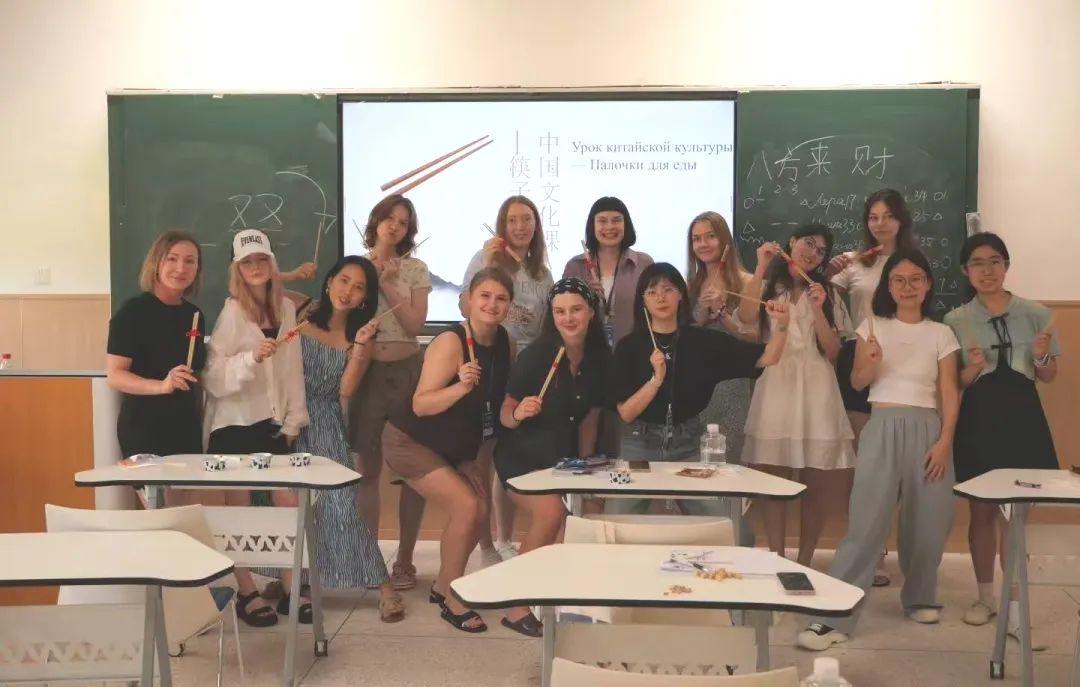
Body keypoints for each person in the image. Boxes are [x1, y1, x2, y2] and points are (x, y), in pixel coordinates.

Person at [799, 249, 959, 651]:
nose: (907, 287)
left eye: (916, 279)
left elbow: (949, 393)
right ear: (889, 286)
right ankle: (834, 617)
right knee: (866, 524)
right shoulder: (872, 326)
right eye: (899, 280)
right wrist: (870, 361)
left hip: (928, 429)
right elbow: (857, 382)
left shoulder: (941, 333)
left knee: (931, 520)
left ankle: (920, 596)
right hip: (882, 425)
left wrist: (944, 442)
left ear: (928, 284)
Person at [380, 268, 513, 634]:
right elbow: (422, 405)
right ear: (468, 299)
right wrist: (460, 386)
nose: (492, 304)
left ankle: (442, 584)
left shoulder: (505, 342)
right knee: (466, 506)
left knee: (480, 505)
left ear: (510, 306)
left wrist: (465, 459)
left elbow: (483, 409)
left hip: (448, 447)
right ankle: (454, 599)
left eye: (501, 298)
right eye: (484, 296)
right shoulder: (451, 342)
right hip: (408, 440)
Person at [945, 233, 1059, 649]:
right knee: (981, 511)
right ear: (966, 271)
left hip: (1022, 418)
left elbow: (1048, 374)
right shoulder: (955, 319)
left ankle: (1015, 608)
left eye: (995, 261)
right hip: (979, 418)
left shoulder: (1036, 313)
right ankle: (983, 597)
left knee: (1016, 517)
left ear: (1006, 266)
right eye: (978, 263)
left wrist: (1042, 355)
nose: (987, 270)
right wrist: (973, 368)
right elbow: (954, 382)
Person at [606, 263, 790, 515]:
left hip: (688, 445)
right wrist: (656, 380)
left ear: (681, 295)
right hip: (640, 445)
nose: (660, 298)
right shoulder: (629, 347)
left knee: (719, 519)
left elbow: (767, 357)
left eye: (668, 289)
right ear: (643, 301)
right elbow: (627, 413)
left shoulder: (702, 342)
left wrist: (782, 324)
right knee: (617, 516)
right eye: (651, 292)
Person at [202, 229, 310, 627]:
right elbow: (213, 376)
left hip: (272, 421)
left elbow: (292, 366)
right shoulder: (232, 312)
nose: (256, 267)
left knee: (288, 503)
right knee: (240, 508)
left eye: (261, 259)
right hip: (233, 423)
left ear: (272, 263)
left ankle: (291, 588)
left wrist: (294, 417)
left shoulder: (285, 309)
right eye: (247, 262)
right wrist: (251, 358)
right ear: (237, 269)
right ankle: (246, 592)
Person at [495, 278, 610, 636]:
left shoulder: (599, 359)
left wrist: (587, 468)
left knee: (587, 513)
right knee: (551, 513)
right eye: (560, 311)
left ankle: (564, 599)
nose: (568, 318)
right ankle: (516, 607)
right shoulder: (536, 356)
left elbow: (590, 418)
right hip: (522, 456)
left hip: (563, 460)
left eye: (576, 310)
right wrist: (519, 413)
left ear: (590, 313)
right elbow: (505, 412)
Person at [738, 224, 856, 565]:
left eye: (821, 250)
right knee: (774, 482)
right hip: (776, 385)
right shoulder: (768, 286)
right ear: (791, 242)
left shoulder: (827, 292)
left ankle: (804, 561)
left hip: (818, 390)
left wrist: (818, 307)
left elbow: (833, 353)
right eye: (808, 243)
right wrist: (761, 265)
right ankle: (777, 557)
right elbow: (745, 316)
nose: (812, 253)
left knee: (816, 482)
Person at [298, 256, 404, 622]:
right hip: (286, 420)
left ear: (364, 299)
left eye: (359, 287)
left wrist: (358, 346)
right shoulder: (299, 316)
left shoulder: (363, 338)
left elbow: (345, 389)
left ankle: (383, 585)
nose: (348, 291)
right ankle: (293, 580)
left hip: (325, 421)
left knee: (342, 504)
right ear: (329, 281)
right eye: (344, 280)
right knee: (290, 505)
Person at [829, 189, 919, 587]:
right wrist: (830, 268)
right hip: (858, 359)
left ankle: (881, 546)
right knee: (865, 461)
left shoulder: (912, 262)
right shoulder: (855, 261)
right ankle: (865, 551)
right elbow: (817, 291)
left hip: (900, 361)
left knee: (891, 462)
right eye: (873, 217)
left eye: (888, 216)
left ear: (901, 220)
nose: (880, 223)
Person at [459, 195, 554, 564]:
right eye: (512, 219)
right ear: (502, 225)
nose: (520, 226)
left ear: (536, 225)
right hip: (493, 357)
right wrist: (487, 262)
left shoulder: (542, 271)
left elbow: (547, 324)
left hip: (530, 366)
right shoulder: (485, 259)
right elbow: (464, 307)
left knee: (513, 453)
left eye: (526, 219)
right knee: (488, 455)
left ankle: (509, 537)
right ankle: (492, 542)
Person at [349, 194, 431, 591]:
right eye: (389, 218)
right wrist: (369, 278)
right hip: (366, 371)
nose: (395, 226)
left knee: (411, 470)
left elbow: (416, 325)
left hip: (408, 371)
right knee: (367, 470)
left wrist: (387, 284)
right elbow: (343, 318)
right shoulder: (355, 267)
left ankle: (405, 561)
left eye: (403, 221)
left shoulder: (415, 268)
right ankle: (368, 560)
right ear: (376, 221)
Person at [562, 196, 654, 459]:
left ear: (626, 224)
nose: (610, 227)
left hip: (630, 358)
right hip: (587, 358)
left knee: (625, 433)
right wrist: (585, 298)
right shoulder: (576, 265)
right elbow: (559, 309)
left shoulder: (643, 263)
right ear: (592, 226)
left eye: (616, 220)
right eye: (602, 221)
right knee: (588, 433)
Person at [105, 231, 207, 469]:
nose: (181, 268)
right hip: (144, 426)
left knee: (186, 492)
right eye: (172, 258)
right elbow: (115, 375)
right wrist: (162, 385)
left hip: (186, 426)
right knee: (155, 493)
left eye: (190, 261)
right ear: (156, 263)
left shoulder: (194, 316)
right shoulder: (133, 312)